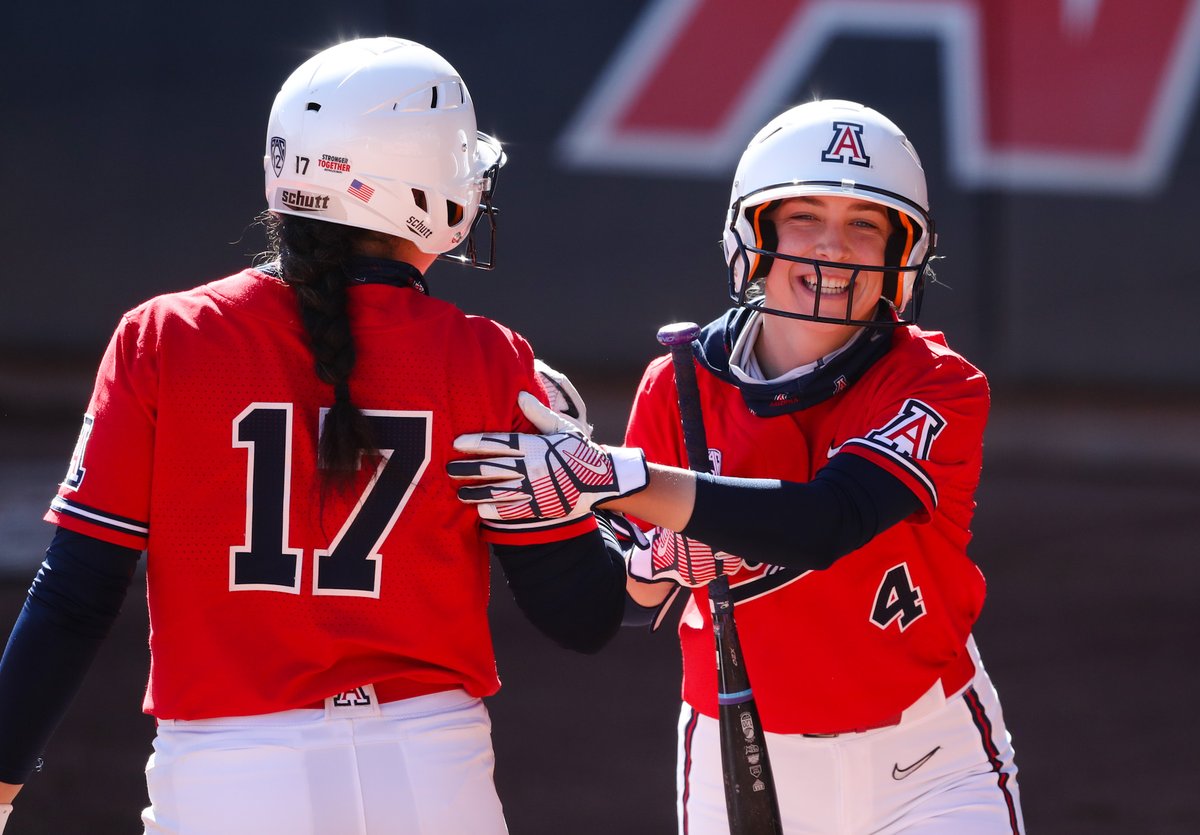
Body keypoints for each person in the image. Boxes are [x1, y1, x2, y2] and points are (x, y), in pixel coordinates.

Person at [0, 37, 627, 834]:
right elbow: (583, 612)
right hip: (433, 775)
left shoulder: (167, 337)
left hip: (230, 780)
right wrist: (644, 537)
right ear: (422, 189)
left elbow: (75, 594)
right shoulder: (489, 359)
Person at [450, 99, 1025, 834]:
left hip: (929, 762)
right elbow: (630, 595)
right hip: (739, 764)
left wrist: (623, 478)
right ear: (755, 234)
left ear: (898, 252)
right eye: (805, 217)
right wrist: (647, 556)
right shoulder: (679, 384)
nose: (833, 247)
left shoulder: (936, 382)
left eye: (864, 224)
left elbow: (829, 519)